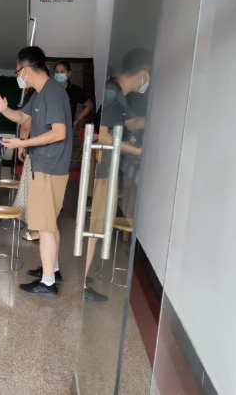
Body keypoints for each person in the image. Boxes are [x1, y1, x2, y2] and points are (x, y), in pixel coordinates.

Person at [0, 46, 72, 298]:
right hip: (45, 164)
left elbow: (59, 133)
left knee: (44, 226)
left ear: (26, 69)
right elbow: (22, 118)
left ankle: (48, 283)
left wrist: (22, 143)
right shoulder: (40, 92)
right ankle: (53, 269)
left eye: (17, 71)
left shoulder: (53, 93)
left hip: (49, 166)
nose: (18, 76)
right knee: (49, 223)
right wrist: (3, 109)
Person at [84, 48, 151, 302]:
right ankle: (83, 284)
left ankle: (86, 276)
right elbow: (103, 135)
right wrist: (137, 150)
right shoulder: (112, 92)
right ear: (143, 73)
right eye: (150, 76)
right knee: (98, 222)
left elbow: (129, 123)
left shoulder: (118, 93)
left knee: (101, 221)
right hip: (105, 166)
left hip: (110, 164)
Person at [53, 60, 95, 127]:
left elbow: (89, 106)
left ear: (69, 73)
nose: (59, 74)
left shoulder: (75, 90)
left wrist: (77, 120)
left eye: (62, 72)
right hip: (49, 126)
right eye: (56, 72)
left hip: (67, 127)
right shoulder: (49, 89)